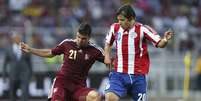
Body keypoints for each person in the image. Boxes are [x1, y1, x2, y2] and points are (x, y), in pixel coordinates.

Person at [104, 4, 174, 101]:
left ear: (131, 18)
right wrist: (106, 56)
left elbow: (159, 44)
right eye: (118, 20)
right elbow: (108, 43)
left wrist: (165, 39)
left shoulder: (143, 29)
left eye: (122, 20)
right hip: (119, 74)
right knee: (110, 97)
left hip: (138, 76)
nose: (119, 22)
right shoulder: (114, 28)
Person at [20, 22, 105, 101]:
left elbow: (110, 62)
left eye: (83, 39)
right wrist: (30, 49)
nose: (79, 40)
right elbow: (50, 53)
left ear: (89, 38)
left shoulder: (95, 50)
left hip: (78, 88)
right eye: (78, 37)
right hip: (62, 83)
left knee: (96, 96)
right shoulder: (67, 43)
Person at [3, 32, 32, 101]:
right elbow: (5, 63)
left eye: (19, 38)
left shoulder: (25, 47)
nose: (17, 39)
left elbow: (29, 62)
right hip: (13, 74)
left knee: (24, 93)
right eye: (15, 38)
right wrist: (4, 75)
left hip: (24, 73)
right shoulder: (8, 49)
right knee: (12, 93)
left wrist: (31, 73)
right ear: (12, 39)